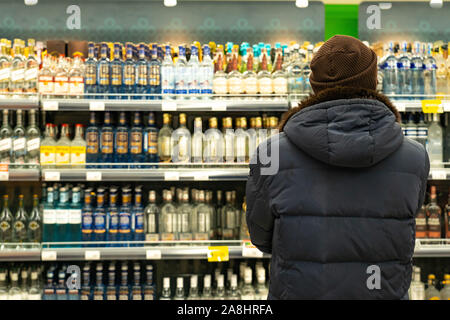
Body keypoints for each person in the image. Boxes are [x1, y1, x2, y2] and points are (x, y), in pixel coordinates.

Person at [246, 35, 429, 300]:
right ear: (374, 81)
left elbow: (261, 237)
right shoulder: (414, 157)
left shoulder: (270, 153)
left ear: (314, 84)